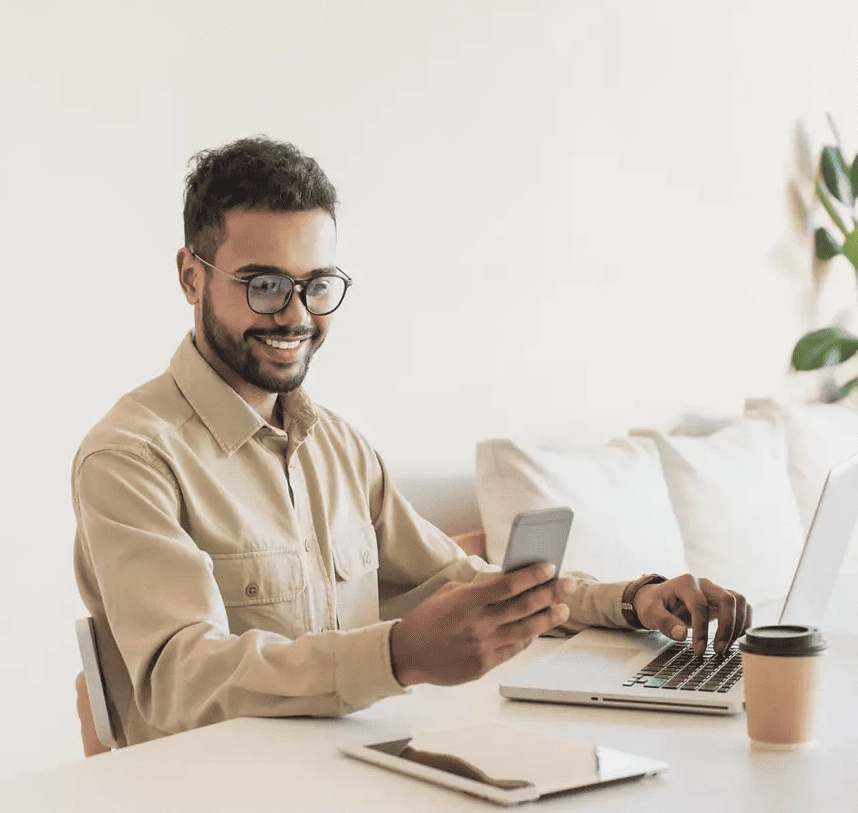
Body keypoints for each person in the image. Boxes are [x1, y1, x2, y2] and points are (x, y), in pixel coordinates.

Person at [72, 137, 753, 746]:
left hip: (350, 772)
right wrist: (399, 656)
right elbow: (181, 679)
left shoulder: (339, 447)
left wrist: (632, 600)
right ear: (192, 276)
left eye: (317, 286)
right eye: (265, 285)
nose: (296, 315)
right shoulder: (130, 458)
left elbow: (458, 583)